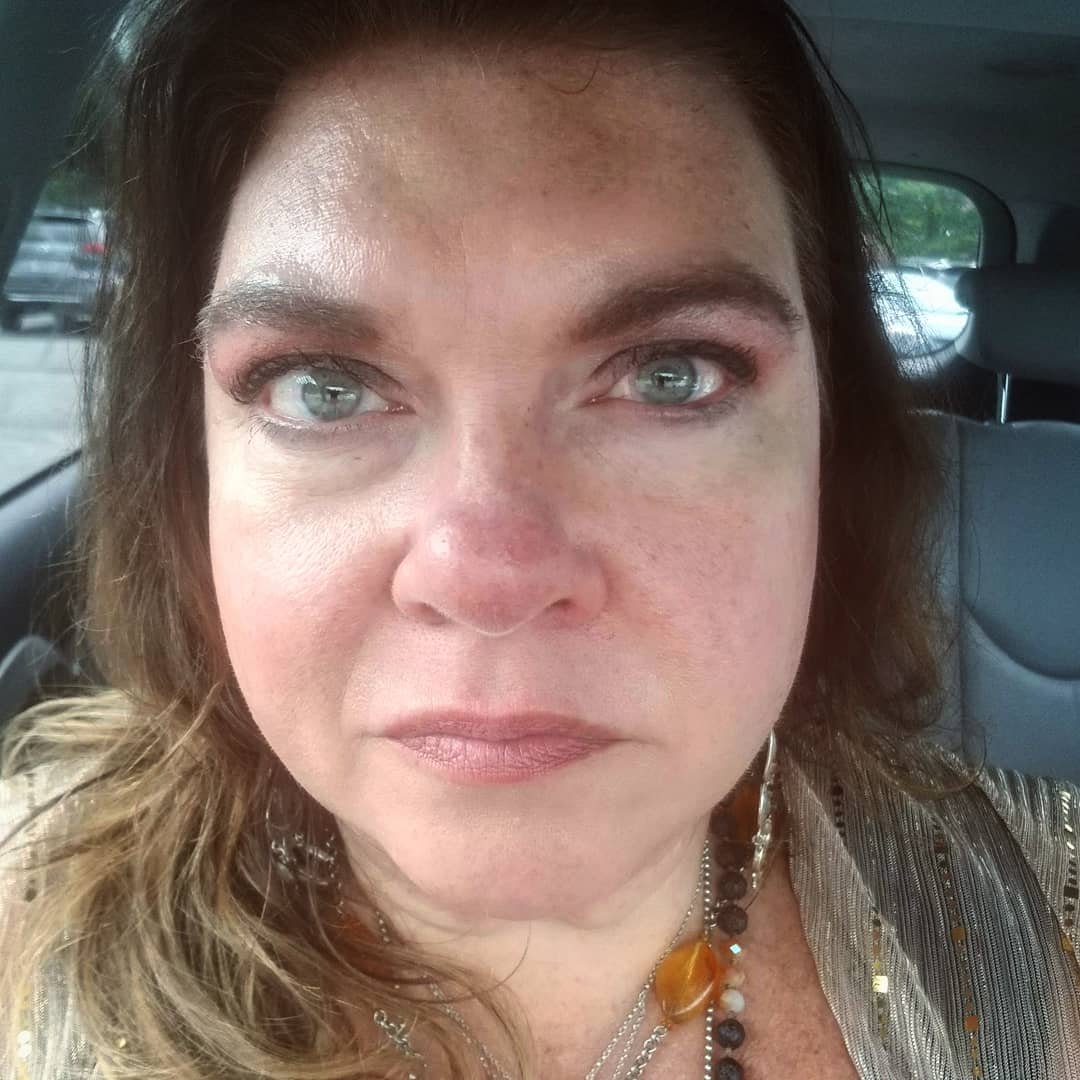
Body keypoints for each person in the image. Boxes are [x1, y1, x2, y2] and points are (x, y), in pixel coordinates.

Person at [2, 1, 1078, 1077]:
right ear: (190, 471)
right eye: (323, 388)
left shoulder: (1050, 917)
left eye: (672, 377)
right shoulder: (25, 906)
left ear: (828, 448)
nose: (487, 578)